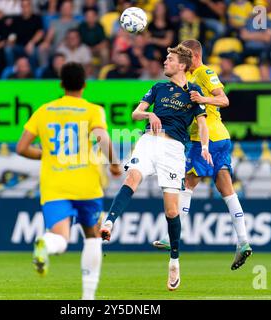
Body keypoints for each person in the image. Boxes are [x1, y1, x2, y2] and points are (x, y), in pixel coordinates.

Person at [100, 45, 212, 291]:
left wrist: (204, 146)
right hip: (149, 140)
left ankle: (174, 261)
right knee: (132, 178)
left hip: (173, 151)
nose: (164, 62)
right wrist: (149, 115)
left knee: (172, 211)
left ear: (181, 65)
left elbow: (202, 123)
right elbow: (135, 113)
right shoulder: (158, 88)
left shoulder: (194, 91)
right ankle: (108, 223)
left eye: (169, 59)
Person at [16, 62, 122, 300]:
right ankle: (87, 298)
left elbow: (21, 148)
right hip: (86, 184)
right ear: (84, 85)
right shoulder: (92, 110)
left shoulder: (45, 110)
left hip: (55, 185)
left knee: (61, 238)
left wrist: (46, 154)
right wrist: (114, 163)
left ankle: (45, 242)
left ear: (61, 84)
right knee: (93, 236)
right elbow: (102, 137)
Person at [152, 39, 252, 271]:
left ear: (193, 56)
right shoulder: (190, 77)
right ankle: (243, 240)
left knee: (187, 183)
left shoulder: (205, 72)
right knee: (226, 188)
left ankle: (171, 237)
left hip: (206, 138)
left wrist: (202, 99)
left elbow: (224, 99)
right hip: (221, 138)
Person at [5, 0, 44, 69]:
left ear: (30, 7)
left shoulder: (37, 18)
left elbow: (40, 33)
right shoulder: (16, 19)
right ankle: (11, 71)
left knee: (33, 51)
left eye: (27, 6)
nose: (25, 8)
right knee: (8, 49)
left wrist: (31, 43)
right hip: (19, 46)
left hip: (32, 46)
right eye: (23, 6)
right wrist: (11, 41)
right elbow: (12, 34)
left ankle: (33, 74)